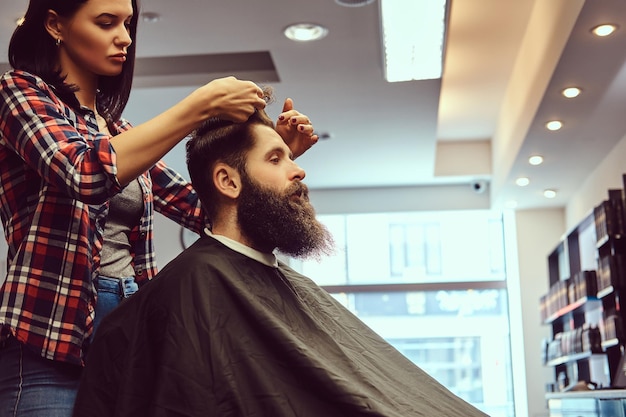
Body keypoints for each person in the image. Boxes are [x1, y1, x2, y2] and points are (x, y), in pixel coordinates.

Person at [72, 94, 489, 417]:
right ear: (227, 182)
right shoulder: (195, 290)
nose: (299, 169)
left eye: (290, 157)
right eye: (277, 158)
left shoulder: (265, 281)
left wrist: (271, 157)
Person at [0, 0, 317, 416]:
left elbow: (209, 209)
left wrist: (267, 157)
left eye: (128, 24)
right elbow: (83, 172)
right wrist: (199, 106)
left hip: (127, 331)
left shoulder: (119, 132)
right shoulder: (17, 93)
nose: (125, 38)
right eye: (106, 22)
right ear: (56, 24)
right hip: (48, 342)